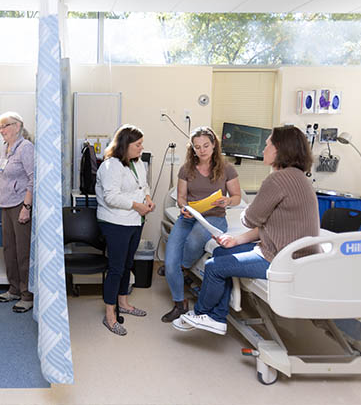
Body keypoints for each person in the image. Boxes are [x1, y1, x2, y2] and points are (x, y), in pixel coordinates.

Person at [173, 125, 319, 335]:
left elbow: (250, 219)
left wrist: (243, 208)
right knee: (220, 251)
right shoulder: (299, 178)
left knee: (214, 267)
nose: (263, 150)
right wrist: (237, 241)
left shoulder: (277, 180)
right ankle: (219, 317)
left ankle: (204, 314)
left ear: (280, 149)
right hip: (291, 254)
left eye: (267, 145)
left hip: (281, 260)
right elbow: (272, 224)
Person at [161, 126, 241, 323]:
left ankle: (182, 267)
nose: (202, 150)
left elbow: (237, 197)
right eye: (197, 147)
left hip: (214, 217)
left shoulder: (227, 168)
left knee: (195, 240)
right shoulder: (186, 169)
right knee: (169, 260)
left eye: (206, 145)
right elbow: (181, 197)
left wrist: (227, 201)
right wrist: (184, 208)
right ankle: (180, 304)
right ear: (192, 149)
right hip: (190, 216)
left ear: (214, 145)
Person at [95, 124, 155, 336]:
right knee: (116, 267)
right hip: (115, 222)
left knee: (128, 264)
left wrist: (147, 199)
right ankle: (110, 315)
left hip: (135, 221)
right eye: (137, 145)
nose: (141, 148)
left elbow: (143, 185)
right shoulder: (110, 166)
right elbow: (111, 197)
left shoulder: (137, 163)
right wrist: (136, 205)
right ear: (125, 145)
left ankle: (124, 304)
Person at [0, 112, 35, 313]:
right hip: (6, 204)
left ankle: (27, 295)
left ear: (18, 126)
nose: (1, 131)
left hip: (20, 205)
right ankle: (14, 289)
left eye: (5, 126)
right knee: (9, 250)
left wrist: (26, 207)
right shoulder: (6, 149)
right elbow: (2, 178)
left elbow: (33, 179)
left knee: (23, 252)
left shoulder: (26, 148)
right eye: (0, 128)